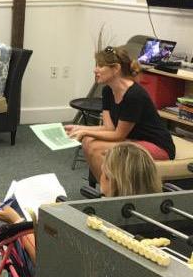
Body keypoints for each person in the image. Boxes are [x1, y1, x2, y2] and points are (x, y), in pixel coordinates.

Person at [0, 142, 161, 277]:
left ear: (109, 179)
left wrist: (16, 220)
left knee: (12, 221)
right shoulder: (159, 218)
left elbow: (49, 263)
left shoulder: (99, 225)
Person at [65, 45, 175, 183]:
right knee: (88, 141)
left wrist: (85, 132)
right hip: (133, 140)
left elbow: (118, 135)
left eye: (100, 66)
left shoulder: (134, 95)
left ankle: (109, 191)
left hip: (157, 145)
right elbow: (109, 128)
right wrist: (79, 128)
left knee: (95, 147)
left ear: (116, 68)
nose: (95, 70)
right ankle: (107, 188)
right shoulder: (107, 91)